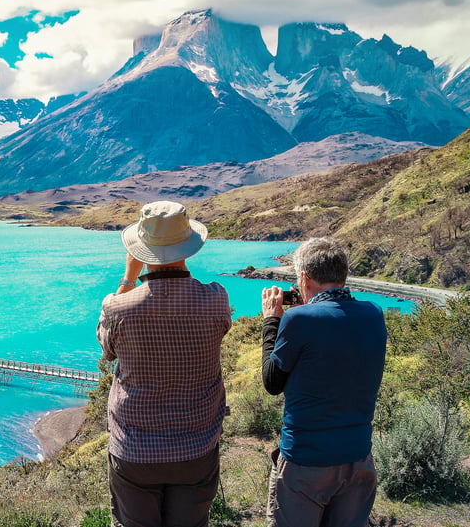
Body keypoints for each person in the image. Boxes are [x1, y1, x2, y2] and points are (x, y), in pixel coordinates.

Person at [97, 201, 231, 527]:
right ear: (188, 247)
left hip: (135, 449)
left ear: (141, 252)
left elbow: (107, 351)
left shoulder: (118, 308)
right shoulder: (216, 298)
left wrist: (129, 278)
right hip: (197, 445)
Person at [261, 237, 387, 527]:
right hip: (357, 457)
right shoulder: (374, 315)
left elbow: (271, 381)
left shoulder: (300, 320)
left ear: (304, 278)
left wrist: (272, 321)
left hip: (305, 460)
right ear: (343, 277)